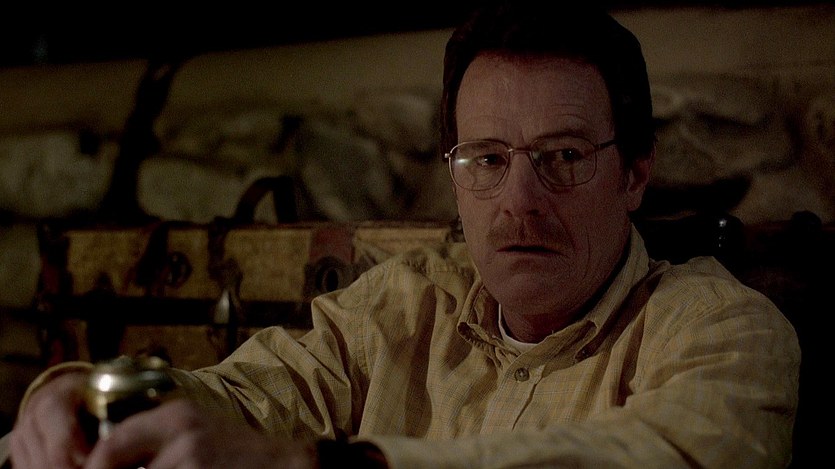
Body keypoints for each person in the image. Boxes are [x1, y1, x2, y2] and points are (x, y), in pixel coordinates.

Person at [7, 2, 800, 468]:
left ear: (633, 173)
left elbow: (655, 458)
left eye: (562, 157)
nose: (519, 201)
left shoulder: (720, 329)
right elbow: (246, 392)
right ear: (454, 172)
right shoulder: (406, 304)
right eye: (486, 159)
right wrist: (90, 398)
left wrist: (316, 465)